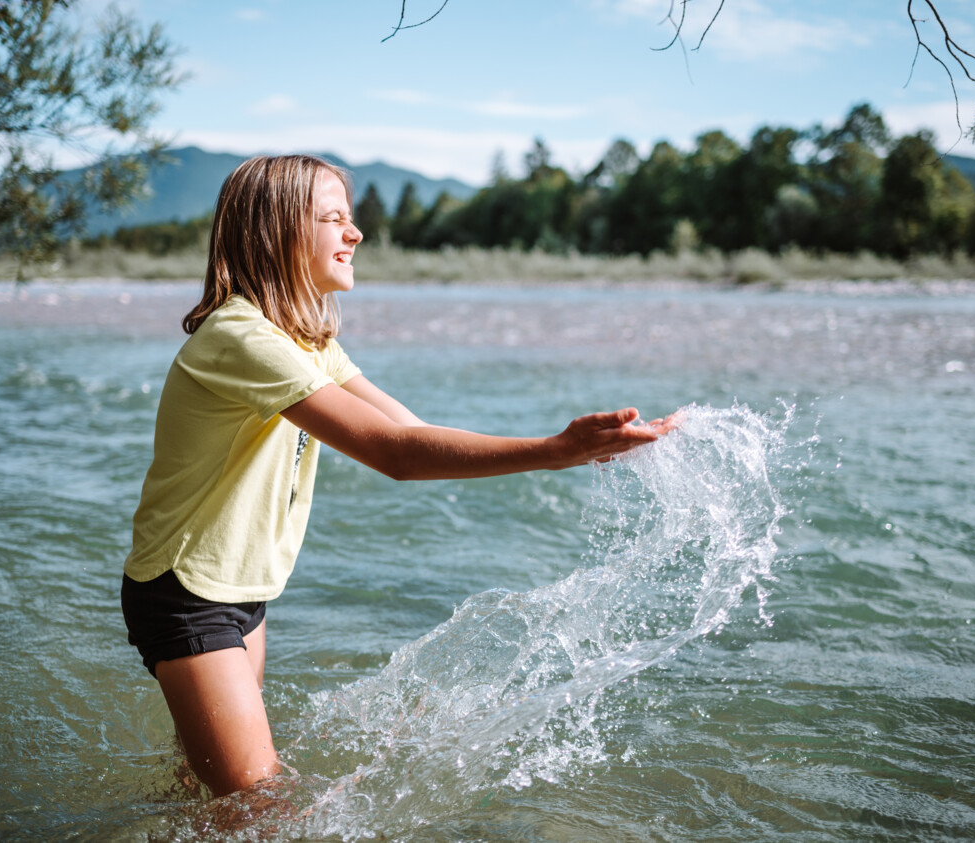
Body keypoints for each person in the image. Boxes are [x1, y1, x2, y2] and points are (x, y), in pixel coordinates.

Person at [121, 154, 682, 798]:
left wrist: (579, 447)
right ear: (276, 233)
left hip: (241, 588)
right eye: (333, 219)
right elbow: (397, 455)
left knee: (204, 794)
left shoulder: (307, 343)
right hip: (187, 589)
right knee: (257, 806)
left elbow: (412, 430)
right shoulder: (241, 337)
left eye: (351, 219)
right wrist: (556, 450)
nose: (355, 234)